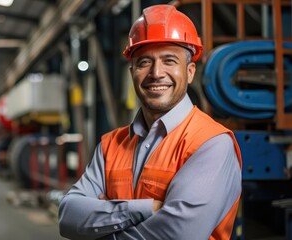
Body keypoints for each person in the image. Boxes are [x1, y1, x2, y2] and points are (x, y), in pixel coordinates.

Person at [58, 4, 242, 240]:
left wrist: (99, 226)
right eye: (144, 62)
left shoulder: (211, 143)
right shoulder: (110, 145)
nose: (156, 72)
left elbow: (179, 235)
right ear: (132, 71)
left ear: (190, 71)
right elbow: (68, 217)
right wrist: (147, 209)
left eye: (169, 61)